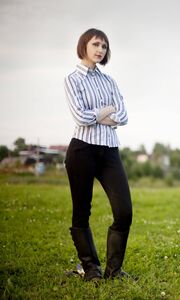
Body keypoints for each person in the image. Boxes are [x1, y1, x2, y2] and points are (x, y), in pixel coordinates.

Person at [64, 28, 132, 282]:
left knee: (124, 211)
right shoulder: (72, 79)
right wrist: (105, 112)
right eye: (96, 44)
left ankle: (114, 271)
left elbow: (123, 116)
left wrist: (99, 114)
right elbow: (79, 116)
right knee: (82, 211)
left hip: (109, 152)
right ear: (84, 45)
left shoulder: (109, 81)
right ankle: (91, 268)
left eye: (104, 46)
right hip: (82, 150)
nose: (100, 50)